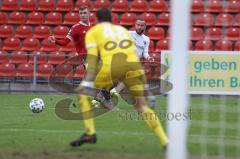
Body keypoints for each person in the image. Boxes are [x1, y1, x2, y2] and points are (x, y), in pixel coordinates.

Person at [71, 8, 168, 149]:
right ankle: (165, 141)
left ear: (97, 20)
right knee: (141, 106)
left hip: (110, 67)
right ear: (111, 18)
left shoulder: (93, 31)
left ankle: (90, 133)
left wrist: (86, 83)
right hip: (132, 67)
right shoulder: (122, 31)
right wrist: (144, 84)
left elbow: (91, 60)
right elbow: (133, 54)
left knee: (82, 92)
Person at [49, 6, 97, 145]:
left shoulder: (93, 27)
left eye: (85, 13)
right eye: (81, 13)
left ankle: (93, 98)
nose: (83, 15)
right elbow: (65, 42)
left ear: (89, 14)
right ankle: (92, 99)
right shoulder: (76, 28)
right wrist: (55, 41)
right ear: (79, 15)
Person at [109, 18, 156, 108]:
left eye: (142, 25)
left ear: (145, 27)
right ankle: (150, 98)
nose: (139, 27)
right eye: (138, 25)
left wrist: (149, 57)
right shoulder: (128, 34)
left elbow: (145, 53)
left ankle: (112, 94)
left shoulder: (146, 39)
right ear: (135, 25)